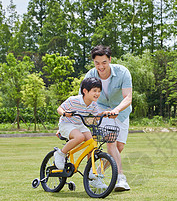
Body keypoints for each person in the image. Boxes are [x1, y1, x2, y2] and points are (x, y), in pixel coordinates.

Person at [83, 45, 132, 192]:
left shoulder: (123, 72)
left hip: (121, 111)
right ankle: (121, 178)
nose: (101, 66)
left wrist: (116, 110)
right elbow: (85, 98)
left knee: (119, 147)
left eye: (104, 62)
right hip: (102, 111)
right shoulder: (90, 75)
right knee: (111, 143)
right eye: (97, 63)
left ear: (110, 60)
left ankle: (95, 172)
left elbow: (128, 97)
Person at [54, 77, 107, 190]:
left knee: (91, 141)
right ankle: (61, 153)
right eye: (94, 91)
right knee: (80, 137)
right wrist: (64, 113)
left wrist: (106, 113)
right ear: (85, 91)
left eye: (99, 91)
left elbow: (95, 118)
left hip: (79, 124)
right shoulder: (74, 100)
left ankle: (91, 173)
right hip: (66, 124)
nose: (97, 93)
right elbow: (59, 109)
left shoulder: (93, 105)